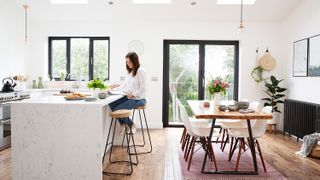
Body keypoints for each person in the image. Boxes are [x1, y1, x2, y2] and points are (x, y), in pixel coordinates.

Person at [108, 52, 146, 132]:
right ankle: (123, 124)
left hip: (139, 99)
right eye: (127, 62)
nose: (128, 64)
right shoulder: (130, 72)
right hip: (129, 97)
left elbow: (143, 88)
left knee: (117, 109)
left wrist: (133, 95)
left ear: (135, 61)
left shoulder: (140, 71)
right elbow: (123, 86)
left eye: (129, 62)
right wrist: (112, 90)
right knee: (111, 103)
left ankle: (131, 124)